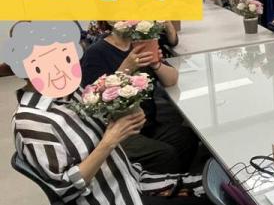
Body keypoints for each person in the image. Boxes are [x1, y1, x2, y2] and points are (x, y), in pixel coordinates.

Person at [5, 21, 220, 205]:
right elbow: (65, 187)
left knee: (202, 184)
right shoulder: (31, 122)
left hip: (125, 180)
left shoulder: (68, 94)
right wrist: (110, 140)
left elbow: (98, 109)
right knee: (209, 201)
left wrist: (125, 114)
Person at [81, 21, 200, 173]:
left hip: (148, 123)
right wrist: (126, 68)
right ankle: (155, 181)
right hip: (120, 131)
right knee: (165, 155)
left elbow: (171, 80)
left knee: (187, 137)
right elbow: (92, 102)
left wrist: (156, 64)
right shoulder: (96, 53)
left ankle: (173, 178)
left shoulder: (141, 43)